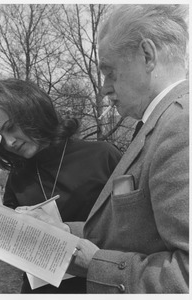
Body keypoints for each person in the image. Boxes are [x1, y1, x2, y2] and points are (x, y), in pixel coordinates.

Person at [22, 5, 189, 293]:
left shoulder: (181, 127)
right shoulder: (160, 124)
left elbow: (185, 277)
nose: (104, 88)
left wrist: (93, 264)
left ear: (147, 55)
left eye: (109, 72)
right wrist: (62, 232)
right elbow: (132, 232)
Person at [0, 78, 122, 293]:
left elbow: (131, 228)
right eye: (1, 137)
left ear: (33, 112)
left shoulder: (102, 156)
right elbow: (0, 244)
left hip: (99, 287)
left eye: (11, 128)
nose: (10, 142)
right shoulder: (18, 178)